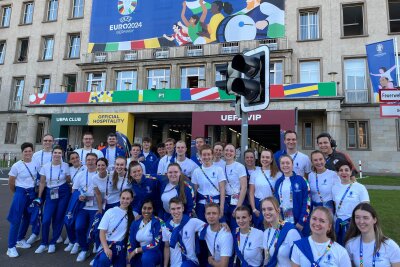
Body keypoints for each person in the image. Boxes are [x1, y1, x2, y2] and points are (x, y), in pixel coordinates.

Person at [35, 146, 71, 254]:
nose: (57, 154)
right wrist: (40, 196)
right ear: (52, 154)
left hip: (63, 192)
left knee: (58, 219)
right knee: (46, 220)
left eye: (59, 153)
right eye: (55, 152)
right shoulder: (45, 167)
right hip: (50, 192)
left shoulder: (65, 166)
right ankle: (44, 243)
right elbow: (42, 182)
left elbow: (69, 180)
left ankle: (53, 242)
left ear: (62, 154)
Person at [6, 142, 40, 257]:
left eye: (30, 151)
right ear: (22, 152)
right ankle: (11, 247)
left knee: (27, 218)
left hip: (31, 193)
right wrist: (16, 193)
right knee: (16, 219)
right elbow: (11, 182)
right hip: (20, 192)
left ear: (33, 152)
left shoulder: (36, 163)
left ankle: (20, 239)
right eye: (25, 151)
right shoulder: (16, 165)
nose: (28, 153)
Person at [345, 203, 400, 267]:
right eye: (357, 217)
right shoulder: (350, 244)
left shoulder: (390, 246)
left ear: (374, 220)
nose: (361, 221)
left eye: (365, 218)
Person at [93, 189, 136, 267]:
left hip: (122, 247)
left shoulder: (134, 215)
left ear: (132, 200)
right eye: (123, 198)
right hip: (109, 244)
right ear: (119, 198)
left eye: (128, 198)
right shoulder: (110, 212)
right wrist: (106, 248)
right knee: (104, 259)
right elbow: (102, 232)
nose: (125, 201)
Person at [332, 160, 370, 246]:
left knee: (353, 247)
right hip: (339, 223)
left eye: (346, 170)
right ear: (337, 173)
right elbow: (336, 206)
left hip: (354, 223)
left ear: (351, 172)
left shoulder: (360, 187)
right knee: (339, 247)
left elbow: (366, 207)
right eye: (341, 170)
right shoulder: (335, 188)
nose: (343, 172)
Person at [72, 153, 100, 262]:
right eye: (88, 160)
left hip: (96, 208)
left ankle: (88, 247)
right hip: (83, 207)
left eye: (93, 159)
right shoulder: (81, 175)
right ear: (85, 161)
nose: (91, 162)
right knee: (79, 227)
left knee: (92, 230)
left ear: (97, 161)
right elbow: (74, 190)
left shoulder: (102, 174)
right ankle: (84, 248)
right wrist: (79, 197)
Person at [162, 197, 206, 267]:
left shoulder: (192, 222)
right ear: (169, 210)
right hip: (174, 264)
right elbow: (167, 247)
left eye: (178, 208)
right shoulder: (165, 227)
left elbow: (208, 227)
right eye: (173, 209)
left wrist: (221, 223)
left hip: (190, 262)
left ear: (183, 208)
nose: (176, 211)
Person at [27, 133, 54, 244]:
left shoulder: (57, 154)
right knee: (37, 210)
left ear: (53, 142)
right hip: (39, 187)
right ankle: (35, 233)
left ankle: (55, 233)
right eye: (45, 140)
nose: (47, 142)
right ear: (42, 142)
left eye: (49, 141)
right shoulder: (36, 155)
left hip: (52, 187)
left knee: (53, 211)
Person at [274, 155, 310, 236]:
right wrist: (279, 221)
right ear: (280, 165)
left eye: (288, 163)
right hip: (284, 221)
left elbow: (307, 202)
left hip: (300, 223)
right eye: (282, 163)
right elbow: (276, 203)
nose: (285, 165)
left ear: (292, 164)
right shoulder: (278, 182)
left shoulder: (302, 180)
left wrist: (301, 221)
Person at [261, 197, 301, 267]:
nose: (266, 212)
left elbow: (300, 261)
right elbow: (267, 259)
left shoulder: (291, 231)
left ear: (278, 210)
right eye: (264, 210)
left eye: (270, 209)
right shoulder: (266, 233)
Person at [191, 144, 226, 222]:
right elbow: (194, 192)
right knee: (202, 228)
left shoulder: (218, 170)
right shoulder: (196, 171)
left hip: (215, 204)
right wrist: (193, 207)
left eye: (208, 154)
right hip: (201, 205)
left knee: (216, 228)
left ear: (212, 155)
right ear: (200, 156)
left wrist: (222, 207)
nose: (206, 157)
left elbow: (222, 190)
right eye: (204, 155)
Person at [249, 149, 281, 229]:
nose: (265, 159)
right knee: (259, 228)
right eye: (263, 157)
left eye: (267, 157)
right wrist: (254, 209)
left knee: (273, 227)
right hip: (258, 204)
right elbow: (251, 192)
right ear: (260, 159)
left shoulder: (278, 174)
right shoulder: (255, 173)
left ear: (271, 159)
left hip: (272, 205)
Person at [128, 199, 164, 267]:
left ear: (153, 209)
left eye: (149, 208)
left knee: (146, 257)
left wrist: (137, 250)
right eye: (144, 208)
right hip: (139, 253)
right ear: (141, 209)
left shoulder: (158, 222)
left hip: (154, 252)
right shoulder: (136, 222)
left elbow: (156, 243)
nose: (146, 211)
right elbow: (130, 241)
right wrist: (130, 255)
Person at [199, 202, 233, 267]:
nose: (211, 216)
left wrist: (211, 262)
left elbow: (224, 265)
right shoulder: (204, 228)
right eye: (208, 213)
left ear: (219, 215)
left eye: (214, 213)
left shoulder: (226, 235)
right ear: (205, 215)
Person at [223, 143, 247, 230]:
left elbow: (244, 188)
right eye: (226, 150)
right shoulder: (220, 167)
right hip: (225, 201)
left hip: (237, 201)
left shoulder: (239, 167)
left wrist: (238, 207)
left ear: (235, 154)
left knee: (236, 229)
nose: (228, 152)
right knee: (224, 229)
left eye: (231, 151)